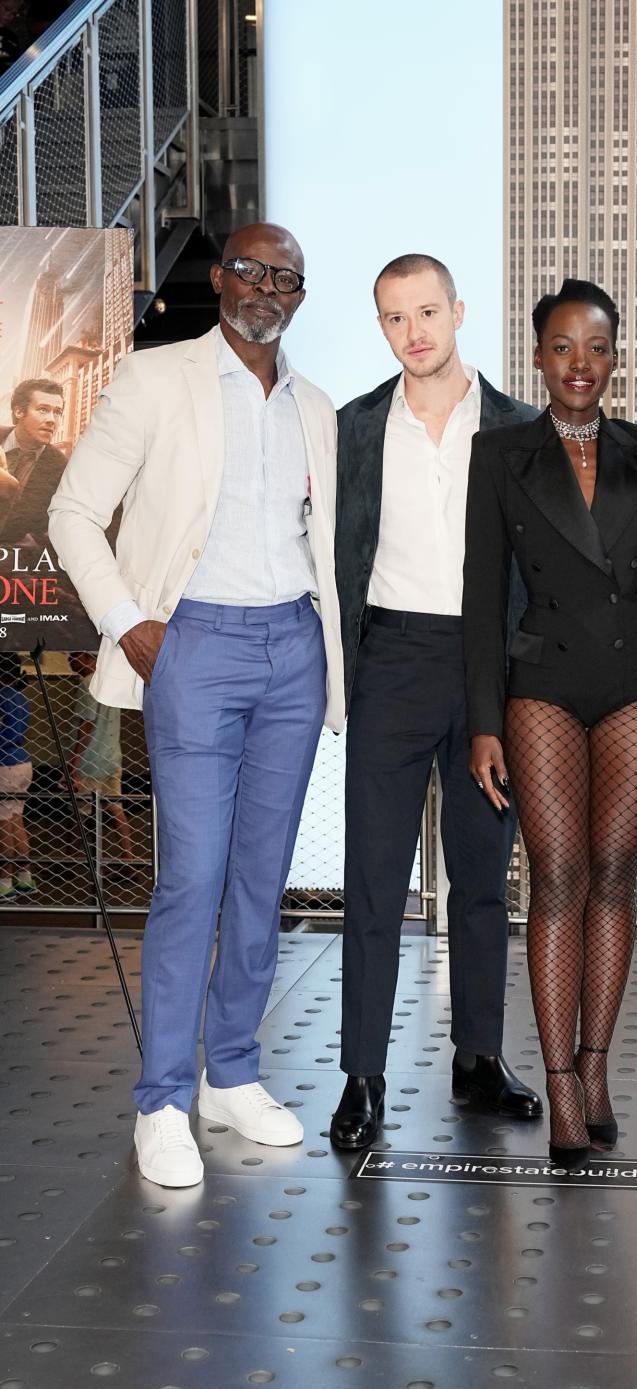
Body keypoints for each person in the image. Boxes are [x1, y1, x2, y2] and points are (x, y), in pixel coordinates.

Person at [49, 222, 344, 1188]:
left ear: (300, 295)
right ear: (220, 279)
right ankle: (163, 1100)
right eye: (251, 269)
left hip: (292, 648)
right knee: (192, 879)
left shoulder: (317, 407)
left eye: (286, 276)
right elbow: (72, 513)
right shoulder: (157, 378)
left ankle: (232, 1074)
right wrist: (131, 622)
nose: (267, 286)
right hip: (192, 647)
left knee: (262, 881)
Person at [332, 253, 542, 1150]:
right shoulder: (352, 428)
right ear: (381, 328)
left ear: (457, 312)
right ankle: (362, 1076)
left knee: (482, 880)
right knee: (375, 879)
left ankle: (478, 1059)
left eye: (426, 312)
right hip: (390, 659)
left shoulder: (519, 428)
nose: (413, 332)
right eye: (393, 318)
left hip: (486, 667)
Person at [463, 279, 637, 1163]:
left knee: (616, 875)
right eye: (562, 346)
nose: (579, 362)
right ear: (538, 356)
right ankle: (556, 1087)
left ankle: (595, 1069)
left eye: (596, 346)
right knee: (558, 878)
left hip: (635, 676)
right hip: (541, 678)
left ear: (616, 357)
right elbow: (480, 598)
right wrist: (482, 722)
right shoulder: (499, 454)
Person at [67, 651, 134, 865]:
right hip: (112, 755)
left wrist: (74, 762)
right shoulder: (109, 682)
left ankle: (69, 858)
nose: (70, 660)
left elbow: (86, 725)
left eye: (74, 655)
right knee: (115, 807)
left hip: (90, 760)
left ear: (88, 658)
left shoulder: (87, 685)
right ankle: (128, 857)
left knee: (78, 812)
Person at [1, 378, 67, 543]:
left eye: (57, 412)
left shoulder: (62, 470)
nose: (52, 419)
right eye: (43, 410)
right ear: (19, 412)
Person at [0, 651, 34, 898]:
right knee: (16, 819)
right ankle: (25, 878)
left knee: (2, 823)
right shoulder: (21, 697)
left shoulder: (1, 696)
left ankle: (3, 882)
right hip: (23, 761)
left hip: (3, 763)